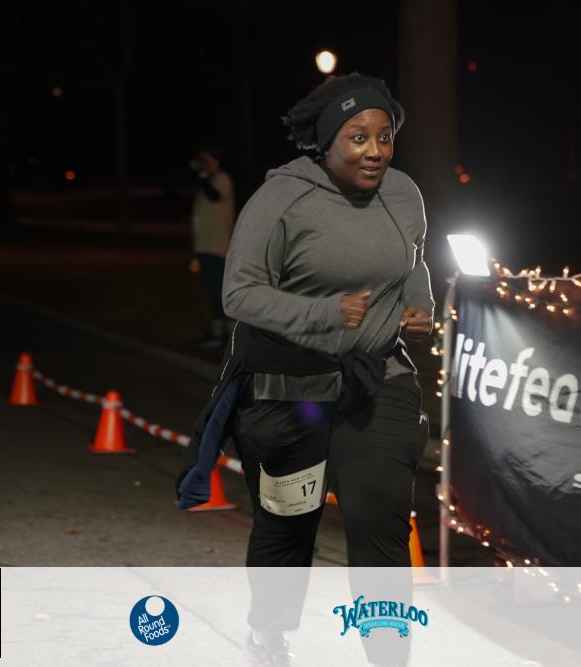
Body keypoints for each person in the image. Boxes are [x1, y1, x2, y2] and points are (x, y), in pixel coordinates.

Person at [176, 73, 433, 666]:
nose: (375, 151)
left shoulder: (403, 194)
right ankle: (268, 635)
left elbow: (414, 261)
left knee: (380, 520)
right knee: (287, 527)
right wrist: (323, 313)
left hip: (377, 381)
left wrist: (420, 307)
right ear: (326, 141)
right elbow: (239, 294)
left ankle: (389, 656)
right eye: (358, 138)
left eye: (384, 137)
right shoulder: (281, 200)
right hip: (289, 392)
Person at [189, 145, 236, 348]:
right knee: (212, 291)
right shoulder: (209, 182)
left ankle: (227, 335)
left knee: (219, 291)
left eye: (205, 159)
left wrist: (201, 176)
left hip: (217, 246)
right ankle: (219, 332)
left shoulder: (222, 178)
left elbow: (215, 196)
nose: (202, 163)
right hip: (205, 246)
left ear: (215, 161)